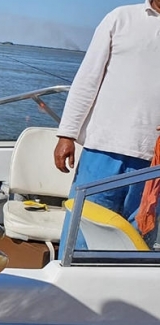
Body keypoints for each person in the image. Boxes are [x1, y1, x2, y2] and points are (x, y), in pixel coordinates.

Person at [54, 0, 160, 257]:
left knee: (139, 236)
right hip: (104, 148)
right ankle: (71, 288)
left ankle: (127, 290)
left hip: (154, 160)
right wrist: (67, 133)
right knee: (83, 228)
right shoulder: (119, 18)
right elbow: (88, 78)